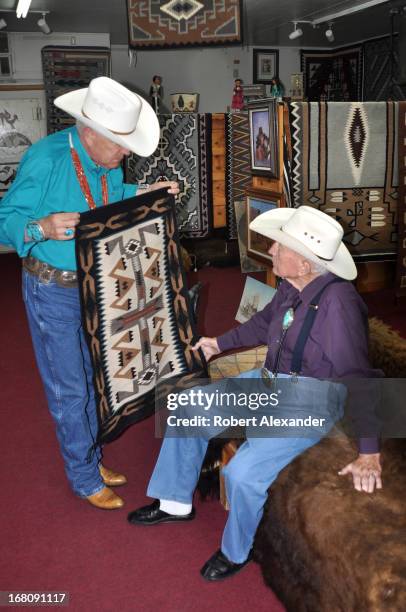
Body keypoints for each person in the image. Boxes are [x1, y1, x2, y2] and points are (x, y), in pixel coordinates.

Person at [127, 206, 382, 581]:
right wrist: (220, 343)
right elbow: (264, 323)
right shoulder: (291, 286)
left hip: (309, 400)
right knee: (186, 411)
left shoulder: (336, 305)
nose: (272, 250)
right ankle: (174, 501)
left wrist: (369, 451)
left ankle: (236, 551)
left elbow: (358, 377)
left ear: (305, 262)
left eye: (280, 246)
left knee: (244, 473)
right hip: (268, 381)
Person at [0, 76, 179, 510]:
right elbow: (5, 220)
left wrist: (142, 191)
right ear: (91, 132)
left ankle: (90, 457)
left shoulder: (106, 160)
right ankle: (82, 476)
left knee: (93, 375)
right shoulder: (45, 159)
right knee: (69, 388)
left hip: (91, 280)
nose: (126, 154)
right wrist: (40, 228)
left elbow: (109, 194)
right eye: (121, 145)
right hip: (51, 289)